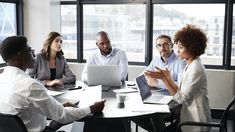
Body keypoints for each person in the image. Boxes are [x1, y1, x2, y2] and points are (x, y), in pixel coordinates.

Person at [0, 36, 105, 132]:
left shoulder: (2, 79)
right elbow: (63, 116)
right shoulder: (29, 85)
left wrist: (56, 106)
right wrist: (92, 108)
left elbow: (23, 111)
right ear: (21, 55)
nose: (33, 53)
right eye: (30, 50)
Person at [145, 24, 211, 132]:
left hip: (195, 122)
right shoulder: (190, 65)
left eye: (181, 47)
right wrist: (167, 78)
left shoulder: (195, 69)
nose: (177, 51)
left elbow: (180, 99)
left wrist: (165, 79)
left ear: (192, 48)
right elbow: (180, 90)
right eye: (177, 47)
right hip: (186, 118)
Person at [133, 35, 186, 132]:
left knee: (155, 116)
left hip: (175, 100)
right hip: (158, 96)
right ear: (157, 47)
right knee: (134, 114)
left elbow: (180, 85)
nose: (162, 48)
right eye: (159, 45)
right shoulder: (156, 60)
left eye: (165, 44)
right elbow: (144, 75)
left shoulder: (180, 62)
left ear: (172, 45)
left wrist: (157, 83)